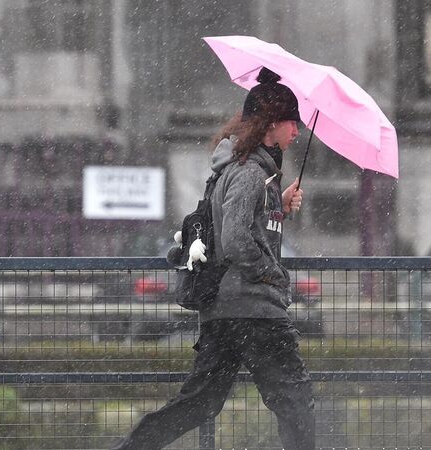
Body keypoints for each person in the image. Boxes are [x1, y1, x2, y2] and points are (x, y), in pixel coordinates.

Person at [112, 67, 314, 450]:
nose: (297, 131)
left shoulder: (242, 170)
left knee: (199, 403)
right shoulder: (251, 173)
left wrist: (279, 206)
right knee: (296, 400)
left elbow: (241, 226)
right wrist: (271, 274)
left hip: (224, 309)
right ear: (272, 124)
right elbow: (236, 239)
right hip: (254, 310)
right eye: (293, 122)